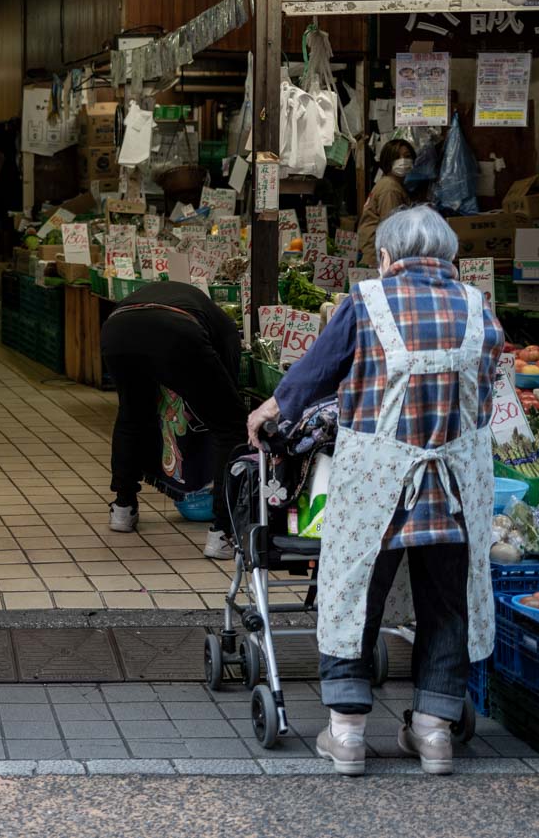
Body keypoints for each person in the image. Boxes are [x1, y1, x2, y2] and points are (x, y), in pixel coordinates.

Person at [247, 207, 502, 777]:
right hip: (457, 486)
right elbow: (484, 392)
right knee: (446, 600)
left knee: (354, 595)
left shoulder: (365, 300)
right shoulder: (478, 305)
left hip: (378, 488)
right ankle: (435, 732)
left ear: (386, 257)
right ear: (450, 258)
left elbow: (317, 371)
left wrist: (271, 409)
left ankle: (348, 735)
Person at [99, 280, 245, 553]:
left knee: (132, 414)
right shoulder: (224, 325)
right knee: (232, 426)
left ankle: (122, 506)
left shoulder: (180, 297)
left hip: (116, 329)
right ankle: (223, 531)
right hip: (175, 331)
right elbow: (227, 381)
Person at [356, 138, 416, 267]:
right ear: (388, 161)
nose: (403, 160)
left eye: (407, 156)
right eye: (397, 157)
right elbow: (390, 229)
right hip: (377, 259)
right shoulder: (390, 188)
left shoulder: (390, 183)